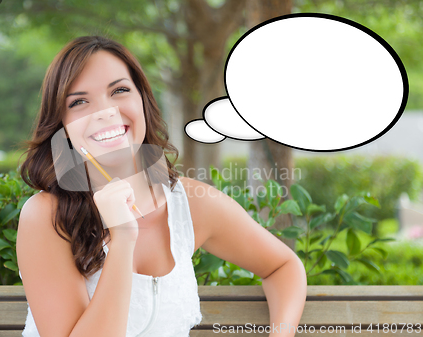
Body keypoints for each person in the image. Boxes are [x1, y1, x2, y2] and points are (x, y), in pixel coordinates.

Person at [16, 35, 307, 337]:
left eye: (119, 90)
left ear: (143, 100)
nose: (105, 111)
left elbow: (283, 266)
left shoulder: (192, 203)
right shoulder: (46, 217)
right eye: (79, 101)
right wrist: (123, 238)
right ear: (62, 125)